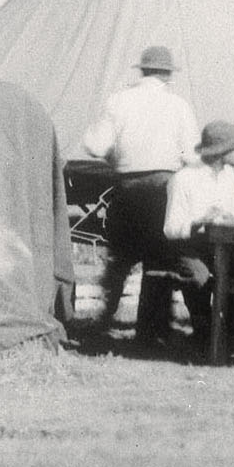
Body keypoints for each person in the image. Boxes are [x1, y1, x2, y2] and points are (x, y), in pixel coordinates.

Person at [79, 44, 201, 336]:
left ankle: (103, 321)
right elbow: (192, 156)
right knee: (158, 260)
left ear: (143, 71)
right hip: (162, 189)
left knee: (120, 259)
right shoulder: (178, 106)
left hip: (127, 187)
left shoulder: (118, 101)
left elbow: (94, 145)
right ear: (168, 75)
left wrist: (115, 156)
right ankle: (152, 330)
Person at [160, 120, 234, 351]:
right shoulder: (183, 178)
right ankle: (204, 330)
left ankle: (224, 329)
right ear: (222, 152)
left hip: (222, 247)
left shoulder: (228, 175)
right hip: (189, 246)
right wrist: (199, 221)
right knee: (200, 278)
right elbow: (170, 228)